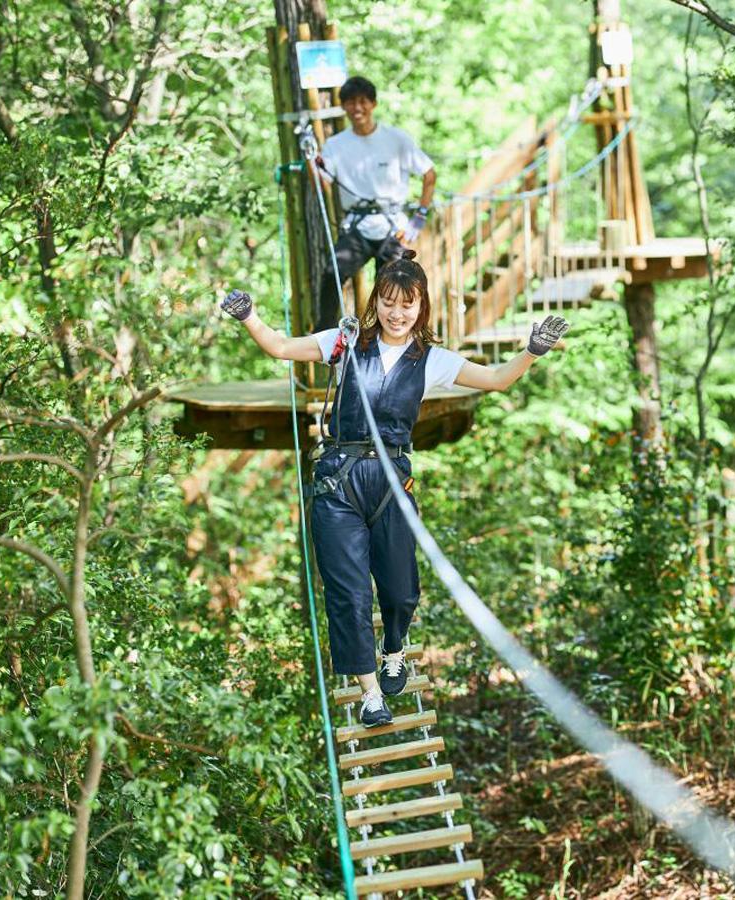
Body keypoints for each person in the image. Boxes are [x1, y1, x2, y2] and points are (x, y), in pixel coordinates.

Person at [220, 254, 569, 726]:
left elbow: (495, 380)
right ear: (376, 304)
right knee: (349, 594)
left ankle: (394, 648)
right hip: (338, 481)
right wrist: (249, 316)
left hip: (390, 481)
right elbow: (280, 347)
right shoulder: (344, 342)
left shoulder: (432, 361)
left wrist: (532, 350)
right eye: (388, 303)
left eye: (407, 304)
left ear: (420, 307)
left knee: (401, 591)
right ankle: (370, 695)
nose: (396, 313)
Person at [314, 76, 436, 328]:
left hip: (393, 225)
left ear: (373, 104)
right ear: (344, 107)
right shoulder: (336, 145)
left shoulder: (396, 140)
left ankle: (397, 336)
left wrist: (419, 219)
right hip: (358, 226)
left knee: (396, 286)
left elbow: (429, 174)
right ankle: (324, 333)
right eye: (350, 103)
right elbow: (323, 181)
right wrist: (310, 161)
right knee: (332, 274)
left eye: (362, 102)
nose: (357, 108)